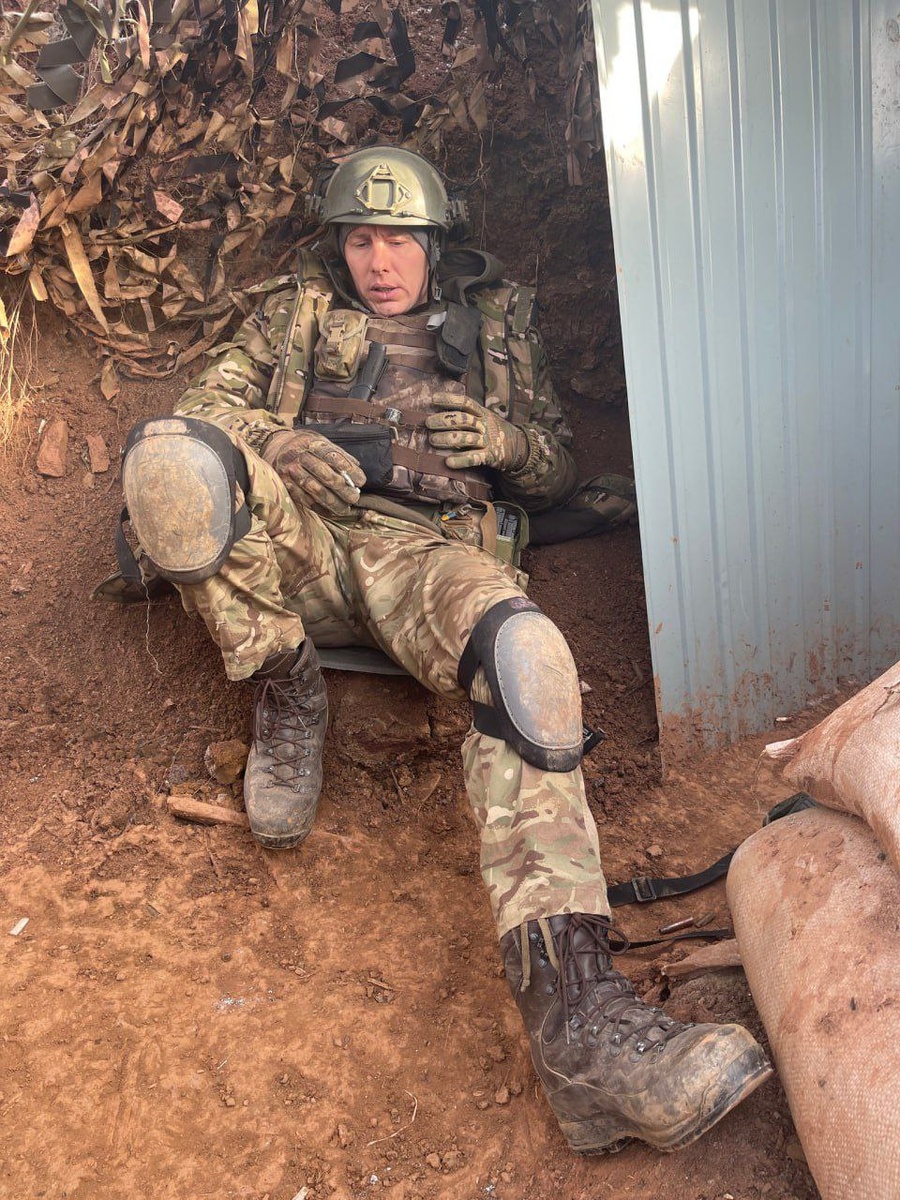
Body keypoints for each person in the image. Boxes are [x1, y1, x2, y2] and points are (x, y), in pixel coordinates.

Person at [118, 146, 772, 1154]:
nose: (380, 263)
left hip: (427, 556)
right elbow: (199, 408)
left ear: (434, 241)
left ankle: (584, 1039)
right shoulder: (296, 315)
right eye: (360, 241)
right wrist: (278, 442)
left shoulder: (498, 325)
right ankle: (287, 691)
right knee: (170, 461)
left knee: (529, 662)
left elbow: (556, 467)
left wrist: (507, 445)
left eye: (399, 241)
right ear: (340, 248)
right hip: (299, 542)